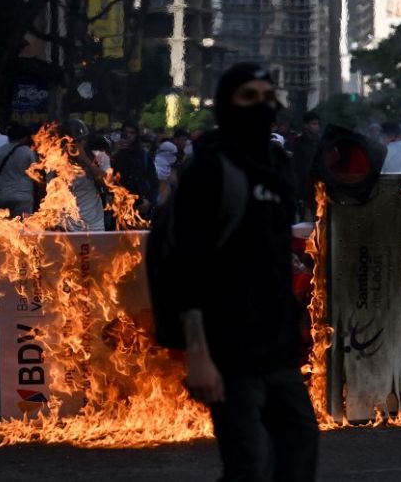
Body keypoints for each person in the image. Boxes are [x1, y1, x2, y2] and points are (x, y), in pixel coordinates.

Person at [172, 63, 318, 480]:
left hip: (279, 349)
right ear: (225, 105)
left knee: (299, 452)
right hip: (229, 351)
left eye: (267, 97)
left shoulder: (277, 168)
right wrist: (198, 355)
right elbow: (187, 266)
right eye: (248, 97)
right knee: (250, 467)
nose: (261, 106)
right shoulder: (209, 170)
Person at [61, 119, 108, 232]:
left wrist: (86, 161)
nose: (78, 145)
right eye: (74, 142)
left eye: (81, 141)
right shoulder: (55, 160)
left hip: (94, 224)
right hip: (68, 224)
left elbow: (107, 184)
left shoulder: (97, 157)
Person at [0, 123, 38, 218]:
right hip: (24, 199)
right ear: (24, 138)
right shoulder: (29, 153)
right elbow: (37, 177)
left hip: (4, 198)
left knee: (5, 231)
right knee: (23, 230)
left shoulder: (0, 151)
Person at [112, 121, 158, 216]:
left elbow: (152, 179)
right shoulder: (116, 153)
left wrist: (149, 201)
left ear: (137, 135)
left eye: (132, 133)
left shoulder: (143, 155)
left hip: (141, 202)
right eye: (126, 132)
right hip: (120, 201)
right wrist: (114, 152)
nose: (128, 135)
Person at [288, 112, 321, 218]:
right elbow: (295, 167)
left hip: (318, 187)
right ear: (306, 125)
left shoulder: (321, 143)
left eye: (317, 124)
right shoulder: (299, 143)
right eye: (313, 124)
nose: (316, 126)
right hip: (304, 188)